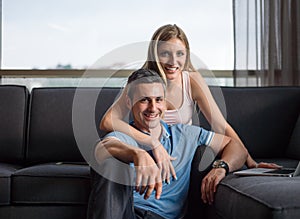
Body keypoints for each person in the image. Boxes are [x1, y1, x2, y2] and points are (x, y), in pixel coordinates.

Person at [100, 24, 281, 195]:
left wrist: (250, 162)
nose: (173, 61)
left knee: (203, 153)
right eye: (165, 53)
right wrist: (151, 143)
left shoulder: (191, 80)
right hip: (145, 155)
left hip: (180, 160)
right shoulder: (143, 81)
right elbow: (108, 121)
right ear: (155, 55)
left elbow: (219, 124)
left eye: (180, 53)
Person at [86, 69, 248, 219]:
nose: (153, 107)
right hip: (125, 216)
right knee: (110, 164)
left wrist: (221, 167)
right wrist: (138, 154)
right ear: (129, 102)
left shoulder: (185, 134)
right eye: (144, 100)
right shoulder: (126, 135)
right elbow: (102, 149)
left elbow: (236, 147)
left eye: (158, 99)